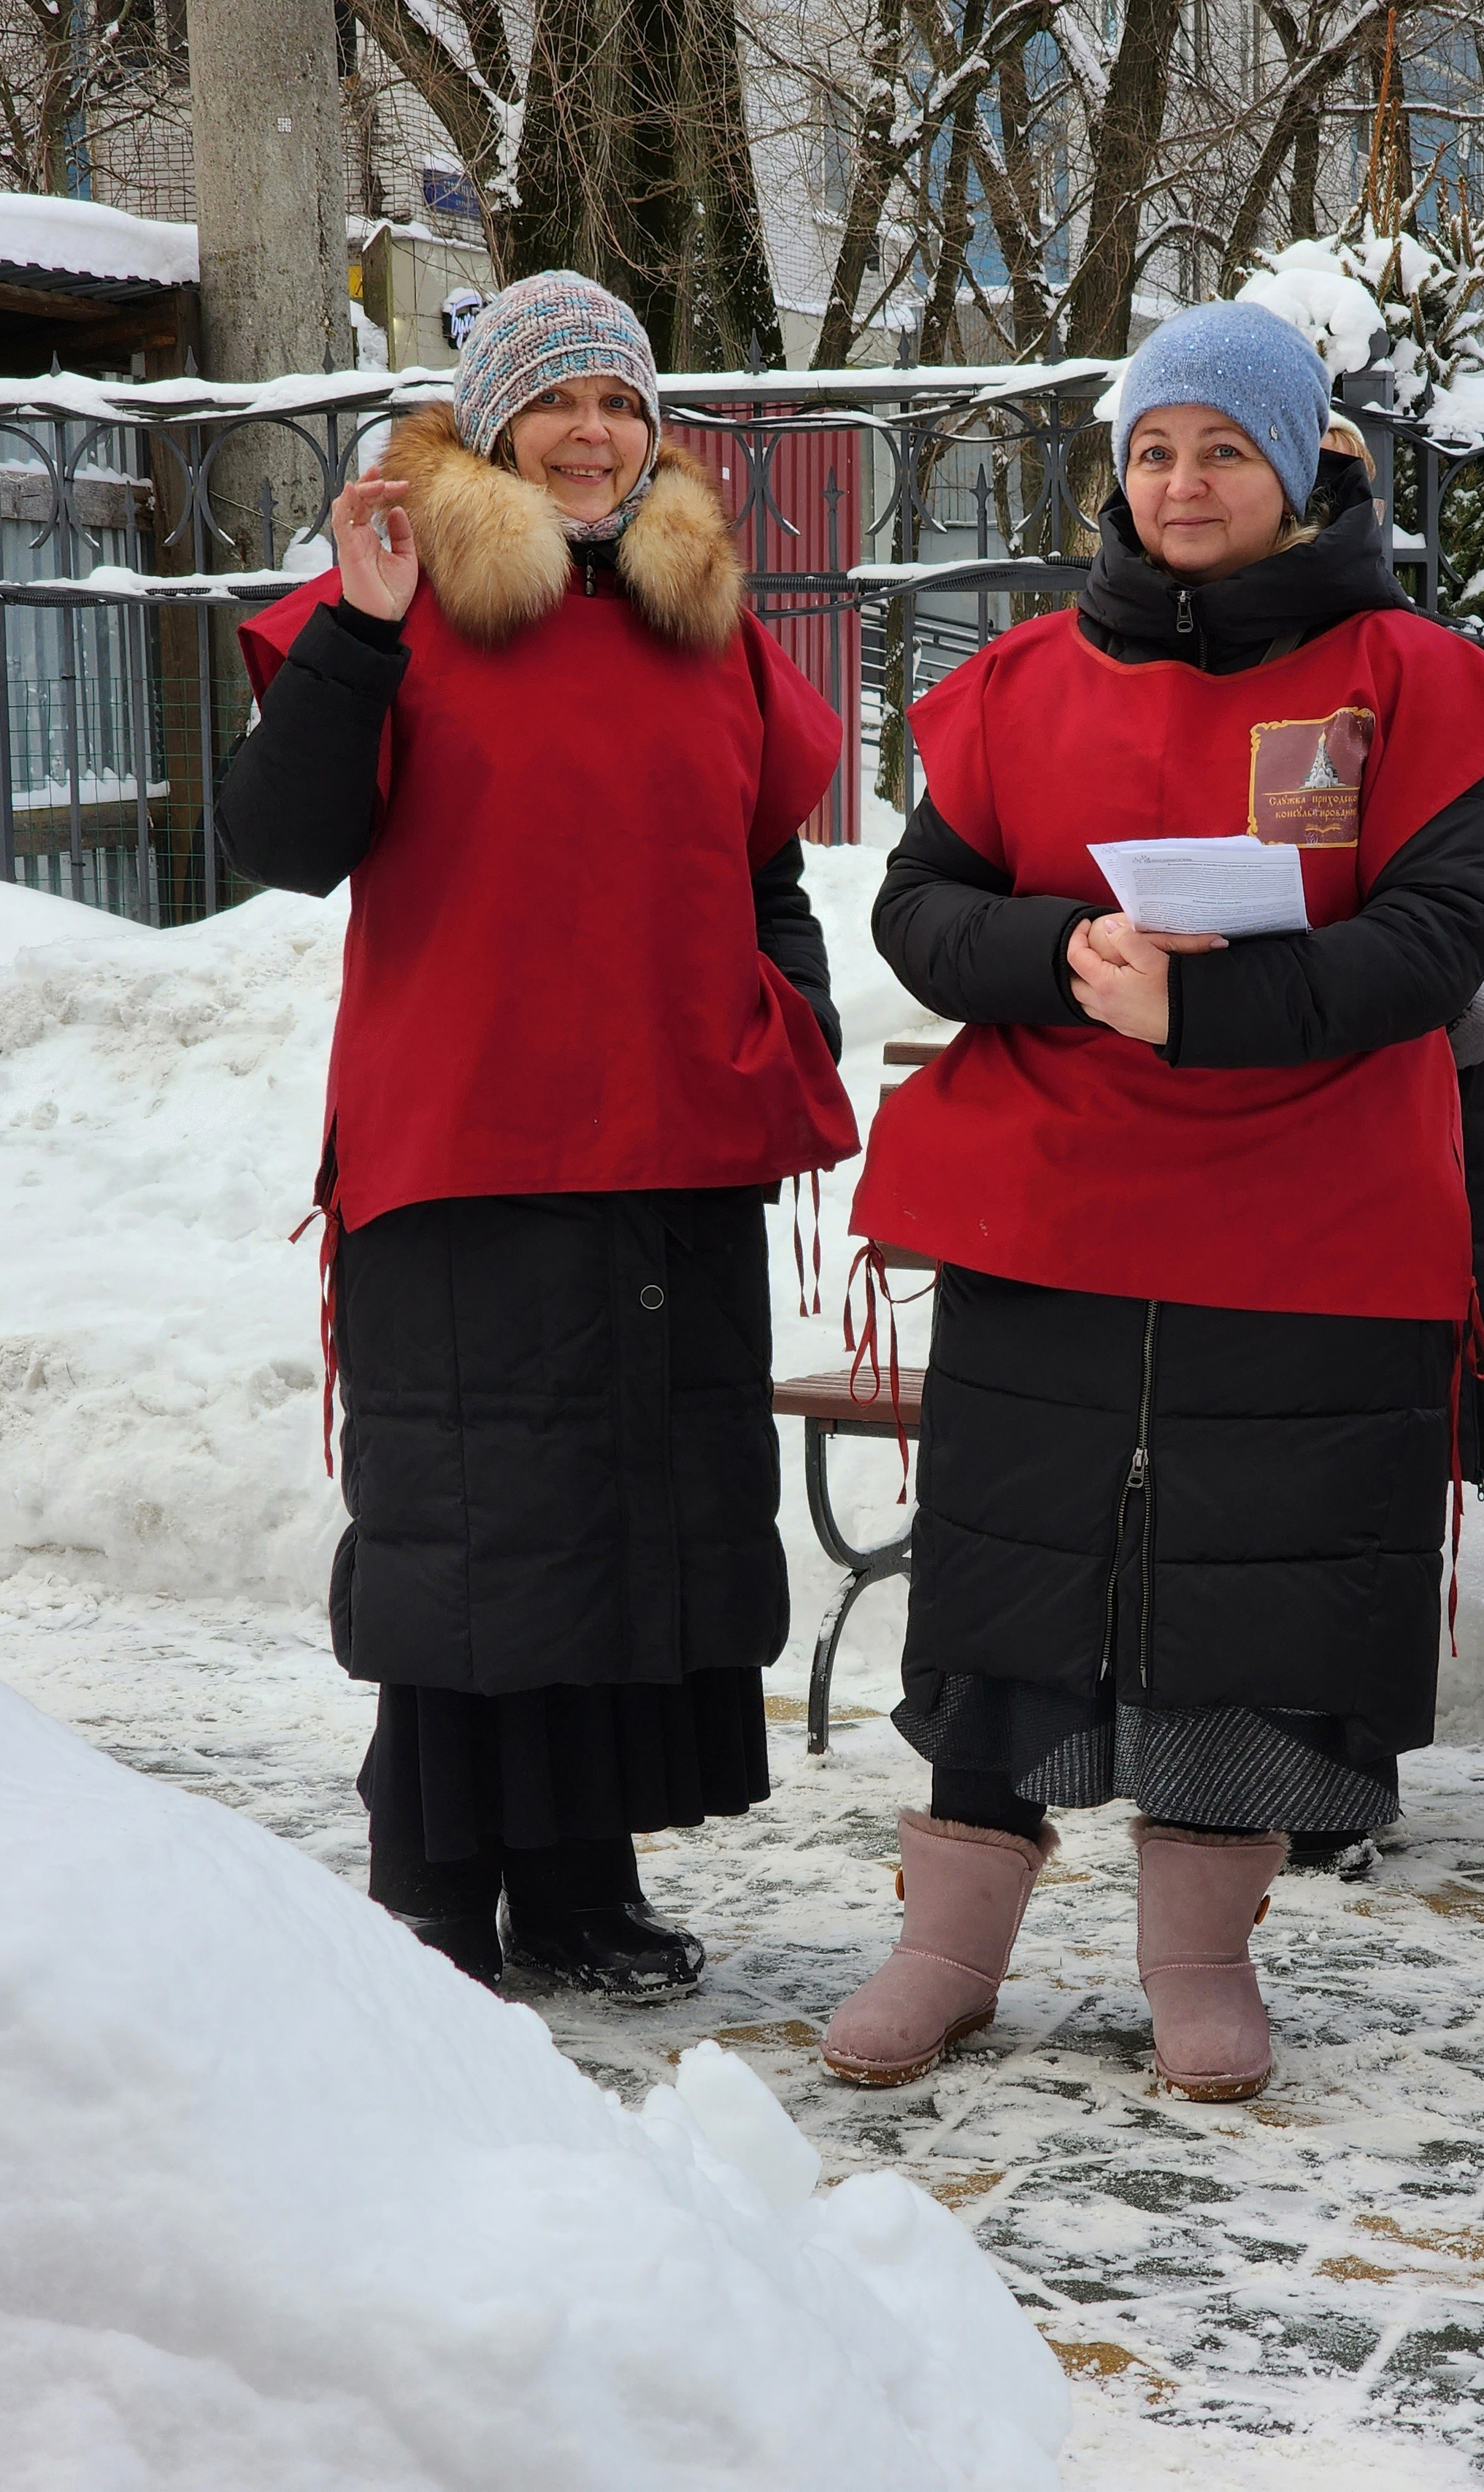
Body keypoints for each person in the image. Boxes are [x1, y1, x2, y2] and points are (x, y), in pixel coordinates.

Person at [820, 302, 1484, 2101]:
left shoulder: (1405, 680)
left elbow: (1443, 938)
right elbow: (914, 912)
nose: (1180, 481)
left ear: (1302, 463)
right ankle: (948, 1943)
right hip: (1054, 1217)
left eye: (1221, 449)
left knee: (1242, 1594)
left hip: (1299, 1225)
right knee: (1014, 1575)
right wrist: (1057, 949)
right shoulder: (1013, 682)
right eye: (1153, 448)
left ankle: (1196, 1960)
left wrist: (1208, 1003)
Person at [219, 272, 858, 1995]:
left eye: (619, 404)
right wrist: (353, 630)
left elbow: (766, 865)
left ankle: (579, 1885)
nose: (592, 435)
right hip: (466, 1143)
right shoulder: (399, 591)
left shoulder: (696, 619)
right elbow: (281, 838)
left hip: (670, 1139)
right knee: (479, 1529)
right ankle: (433, 1880)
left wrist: (784, 1010)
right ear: (491, 423)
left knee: (623, 1525)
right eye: (558, 402)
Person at [1283, 417, 1484, 1873]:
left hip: (1402, 1136)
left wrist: (1429, 1001)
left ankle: (1339, 1775)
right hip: (1236, 1135)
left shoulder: (1429, 691)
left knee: (1363, 1465)